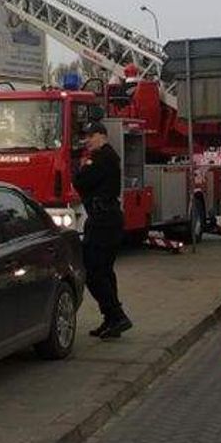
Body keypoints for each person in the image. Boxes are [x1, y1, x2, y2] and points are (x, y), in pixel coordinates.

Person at [73, 121, 132, 339]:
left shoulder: (102, 158)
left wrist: (81, 168)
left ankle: (116, 315)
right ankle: (111, 319)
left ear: (102, 136)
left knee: (93, 270)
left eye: (90, 136)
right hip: (104, 219)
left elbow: (80, 181)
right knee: (105, 270)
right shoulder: (106, 157)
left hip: (103, 221)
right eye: (86, 137)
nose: (87, 141)